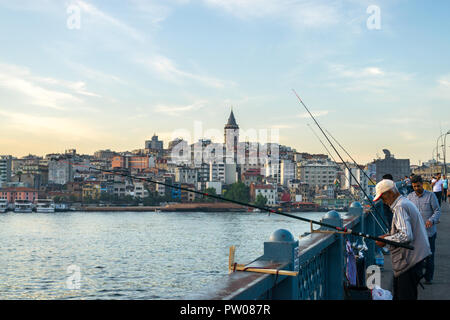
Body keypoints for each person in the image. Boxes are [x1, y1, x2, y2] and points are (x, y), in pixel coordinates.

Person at [373, 179, 431, 300]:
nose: (383, 202)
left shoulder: (400, 207)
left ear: (390, 193)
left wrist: (386, 240)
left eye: (383, 198)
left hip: (410, 261)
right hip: (417, 257)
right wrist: (388, 236)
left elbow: (406, 235)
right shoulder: (405, 202)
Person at [407, 175, 441, 284]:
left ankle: (428, 278)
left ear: (422, 184)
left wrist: (431, 220)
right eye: (414, 186)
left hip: (429, 233)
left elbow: (437, 210)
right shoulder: (409, 197)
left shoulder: (431, 196)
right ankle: (417, 276)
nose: (417, 188)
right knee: (417, 257)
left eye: (418, 186)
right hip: (416, 233)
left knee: (430, 256)